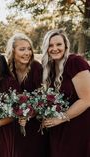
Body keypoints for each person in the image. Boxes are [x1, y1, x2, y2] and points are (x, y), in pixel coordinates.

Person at [42, 29, 90, 157]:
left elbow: (87, 99)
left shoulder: (76, 63)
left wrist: (60, 118)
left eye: (59, 44)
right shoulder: (50, 68)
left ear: (66, 46)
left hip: (78, 126)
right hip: (59, 127)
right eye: (50, 45)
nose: (55, 48)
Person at [6, 33, 49, 157]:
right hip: (13, 123)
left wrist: (28, 114)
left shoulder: (36, 67)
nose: (27, 53)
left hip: (35, 123)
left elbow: (42, 98)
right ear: (12, 51)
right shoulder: (7, 69)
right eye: (22, 49)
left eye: (29, 49)